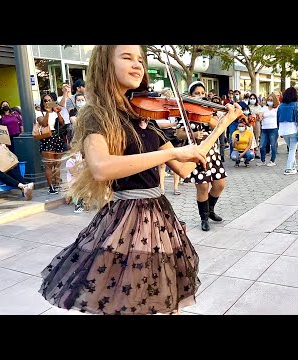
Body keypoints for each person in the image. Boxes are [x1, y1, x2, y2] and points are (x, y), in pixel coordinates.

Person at [39, 45, 242, 315]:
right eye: (127, 58)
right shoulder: (96, 114)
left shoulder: (143, 116)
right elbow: (101, 168)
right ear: (105, 64)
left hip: (159, 215)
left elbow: (184, 166)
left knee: (166, 301)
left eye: (140, 60)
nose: (137, 65)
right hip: (127, 218)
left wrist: (222, 125)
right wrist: (173, 152)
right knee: (132, 301)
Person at [176, 80, 228, 232]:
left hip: (212, 153)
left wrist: (205, 113)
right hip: (196, 154)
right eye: (196, 94)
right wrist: (193, 133)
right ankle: (204, 217)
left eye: (202, 93)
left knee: (219, 184)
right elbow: (178, 134)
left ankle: (210, 209)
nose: (200, 96)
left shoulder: (209, 111)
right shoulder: (186, 113)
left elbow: (218, 126)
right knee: (203, 187)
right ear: (190, 95)